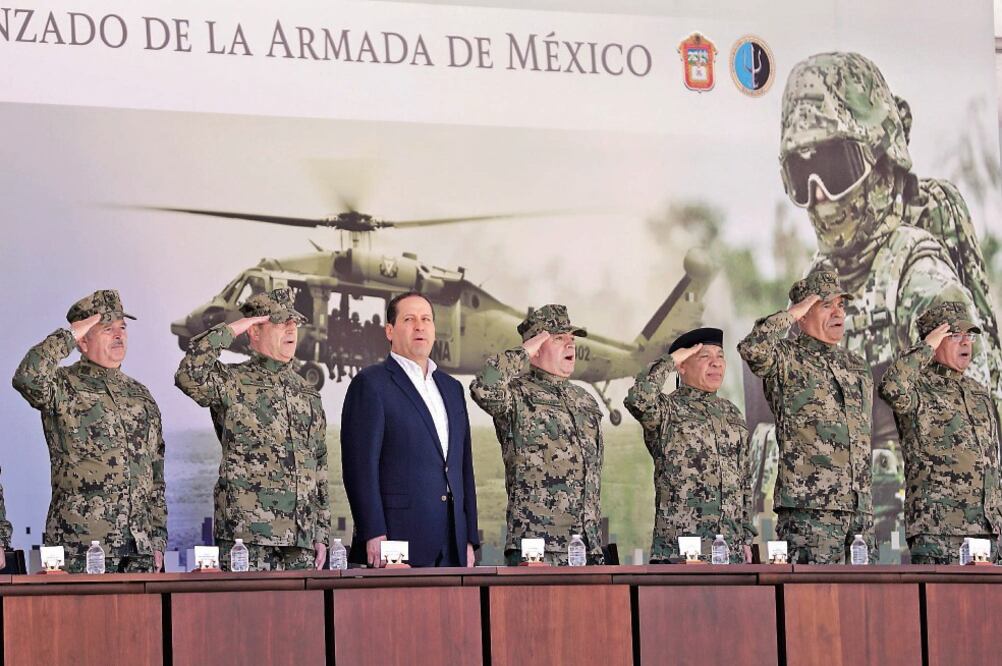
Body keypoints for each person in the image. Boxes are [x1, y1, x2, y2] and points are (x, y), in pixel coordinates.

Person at [764, 51, 1002, 550]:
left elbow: (968, 415)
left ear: (882, 157)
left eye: (833, 166)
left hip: (924, 532)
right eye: (801, 174)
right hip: (846, 528)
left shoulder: (914, 268)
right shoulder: (819, 280)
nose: (820, 196)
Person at [12, 290, 166, 572]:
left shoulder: (140, 395)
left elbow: (155, 476)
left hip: (138, 550)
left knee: (142, 618)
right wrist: (69, 336)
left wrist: (157, 541)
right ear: (83, 341)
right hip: (80, 546)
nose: (119, 335)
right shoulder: (63, 385)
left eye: (122, 328)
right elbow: (27, 378)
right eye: (107, 329)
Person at [176, 288, 329, 571]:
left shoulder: (307, 393)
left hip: (300, 540)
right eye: (280, 322)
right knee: (246, 615)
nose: (291, 329)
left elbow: (318, 464)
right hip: (247, 538)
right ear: (254, 332)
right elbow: (188, 375)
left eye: (293, 322)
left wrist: (321, 532)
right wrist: (234, 327)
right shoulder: (232, 381)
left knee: (303, 616)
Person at [739, 272, 873, 564]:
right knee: (814, 603)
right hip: (810, 513)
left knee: (864, 603)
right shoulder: (786, 358)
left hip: (860, 512)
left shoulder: (857, 367)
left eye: (841, 305)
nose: (838, 312)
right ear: (802, 316)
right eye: (826, 305)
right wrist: (790, 314)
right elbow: (752, 348)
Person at [341, 292, 479, 567]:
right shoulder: (371, 384)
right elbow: (360, 467)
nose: (419, 326)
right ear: (390, 330)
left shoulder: (452, 388)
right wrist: (373, 532)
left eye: (426, 319)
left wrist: (469, 537)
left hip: (452, 541)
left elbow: (463, 468)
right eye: (409, 319)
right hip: (396, 539)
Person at [470, 304, 605, 566]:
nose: (570, 346)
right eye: (558, 339)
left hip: (586, 546)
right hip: (537, 547)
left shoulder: (585, 400)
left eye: (572, 339)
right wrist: (523, 351)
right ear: (535, 350)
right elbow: (484, 388)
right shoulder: (516, 395)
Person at [878, 302, 1002, 563]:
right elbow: (890, 387)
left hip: (987, 531)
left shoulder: (979, 394)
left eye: (968, 336)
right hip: (939, 531)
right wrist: (925, 348)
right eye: (955, 336)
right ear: (934, 342)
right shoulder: (918, 388)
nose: (966, 343)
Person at [624, 327, 755, 562]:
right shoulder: (667, 410)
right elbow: (638, 398)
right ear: (682, 366)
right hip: (680, 552)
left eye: (720, 357)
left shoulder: (731, 413)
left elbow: (743, 478)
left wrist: (746, 538)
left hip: (730, 551)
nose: (716, 364)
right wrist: (670, 360)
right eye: (705, 357)